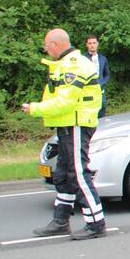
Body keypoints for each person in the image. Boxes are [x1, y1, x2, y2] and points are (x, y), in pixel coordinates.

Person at [23, 28, 107, 240]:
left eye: (46, 45)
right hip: (68, 125)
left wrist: (35, 108)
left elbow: (65, 102)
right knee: (62, 174)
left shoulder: (75, 66)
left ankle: (96, 223)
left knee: (78, 173)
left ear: (55, 44)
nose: (45, 49)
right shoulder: (65, 64)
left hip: (76, 123)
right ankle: (61, 221)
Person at [84, 35, 110, 117]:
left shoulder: (103, 59)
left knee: (102, 110)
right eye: (90, 43)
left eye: (94, 43)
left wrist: (102, 83)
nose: (92, 45)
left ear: (97, 44)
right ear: (86, 45)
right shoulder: (83, 59)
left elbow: (107, 74)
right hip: (88, 91)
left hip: (100, 90)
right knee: (90, 113)